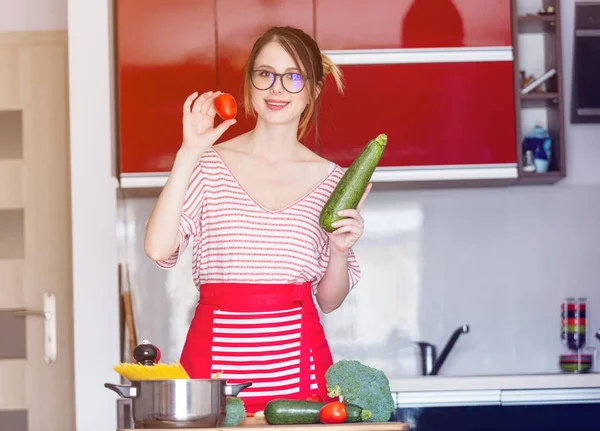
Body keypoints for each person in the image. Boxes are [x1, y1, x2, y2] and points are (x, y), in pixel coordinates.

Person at [144, 26, 371, 414]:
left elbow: (329, 301)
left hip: (297, 370)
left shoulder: (334, 180)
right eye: (264, 74)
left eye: (293, 76)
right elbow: (158, 248)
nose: (276, 88)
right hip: (215, 369)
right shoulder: (209, 164)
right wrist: (188, 152)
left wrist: (338, 250)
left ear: (313, 90)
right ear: (250, 83)